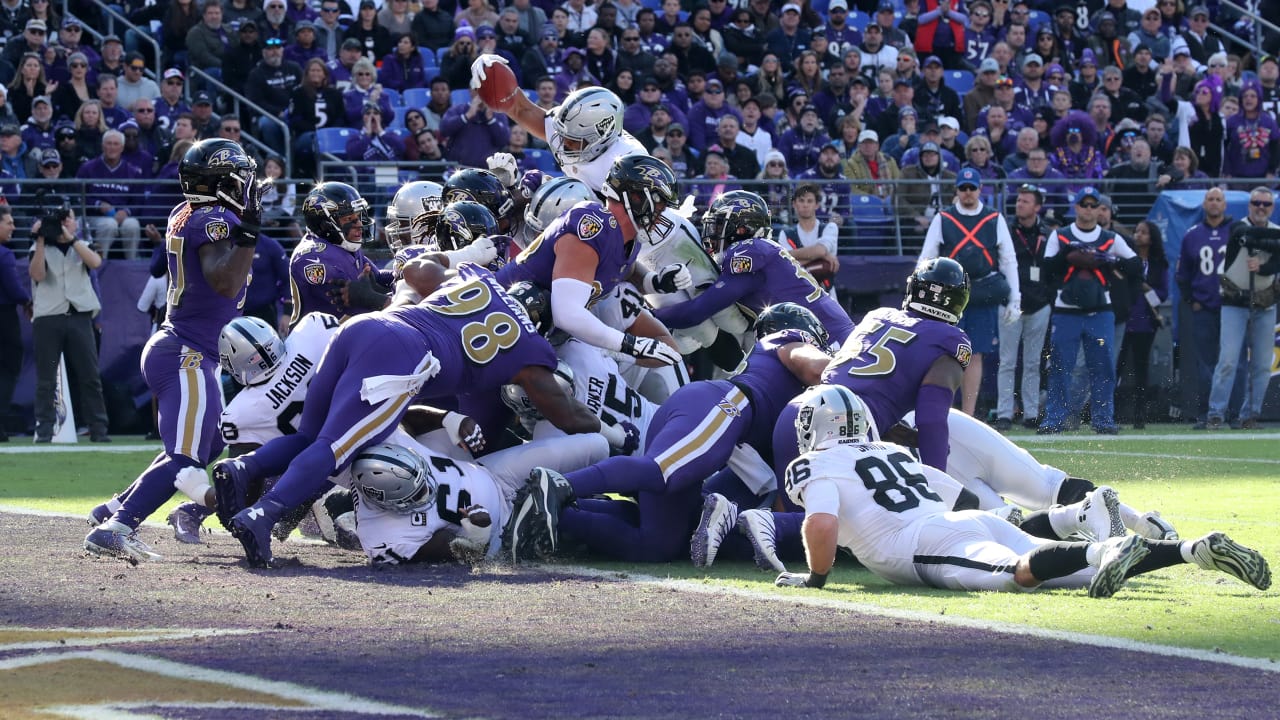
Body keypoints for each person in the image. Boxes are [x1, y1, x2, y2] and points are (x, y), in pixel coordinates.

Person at [212, 262, 621, 567]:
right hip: (405, 356)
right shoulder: (530, 349)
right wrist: (613, 432)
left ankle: (245, 468)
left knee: (311, 434)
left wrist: (448, 259)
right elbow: (565, 415)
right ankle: (263, 516)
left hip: (368, 326)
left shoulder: (479, 277)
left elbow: (417, 271)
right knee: (333, 448)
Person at [771, 384, 1272, 598]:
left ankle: (1108, 544)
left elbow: (821, 523)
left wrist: (816, 578)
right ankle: (1193, 550)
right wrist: (1009, 518)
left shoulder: (814, 461)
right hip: (965, 523)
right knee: (1076, 570)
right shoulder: (895, 454)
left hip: (926, 545)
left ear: (814, 427)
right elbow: (960, 498)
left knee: (1018, 575)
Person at [506, 304, 834, 564]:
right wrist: (846, 372)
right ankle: (557, 486)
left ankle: (555, 518)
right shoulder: (789, 344)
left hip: (715, 421)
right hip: (725, 406)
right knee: (660, 473)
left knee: (659, 543)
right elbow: (817, 366)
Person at [83, 139, 261, 562]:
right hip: (188, 353)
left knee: (208, 443)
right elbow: (224, 282)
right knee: (187, 456)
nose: (246, 186)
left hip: (186, 348)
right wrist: (249, 231)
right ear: (219, 183)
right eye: (239, 179)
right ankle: (118, 526)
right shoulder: (213, 218)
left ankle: (109, 509)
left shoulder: (189, 212)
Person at [652, 192, 854, 345]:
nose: (712, 233)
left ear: (740, 228)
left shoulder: (747, 251)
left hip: (829, 338)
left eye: (719, 225)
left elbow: (697, 311)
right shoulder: (764, 250)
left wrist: (645, 315)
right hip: (826, 332)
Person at [1037, 188, 1140, 435]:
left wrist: (1109, 259)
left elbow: (1136, 265)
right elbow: (1047, 269)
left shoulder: (1110, 238)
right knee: (1061, 365)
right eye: (1084, 204)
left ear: (1099, 209)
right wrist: (1068, 254)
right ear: (1077, 207)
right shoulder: (1060, 236)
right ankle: (1054, 419)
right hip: (1066, 311)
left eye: (1093, 205)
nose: (1089, 209)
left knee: (1103, 366)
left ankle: (1103, 419)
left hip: (1100, 311)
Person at [919, 167, 1019, 417]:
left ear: (979, 189)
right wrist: (917, 293)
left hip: (983, 291)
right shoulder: (943, 218)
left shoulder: (994, 218)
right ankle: (943, 412)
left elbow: (1008, 259)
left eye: (971, 188)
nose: (967, 193)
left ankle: (969, 415)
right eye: (963, 188)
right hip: (951, 294)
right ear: (957, 190)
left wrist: (1015, 298)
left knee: (975, 354)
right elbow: (927, 256)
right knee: (946, 354)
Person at [1204, 187, 1280, 430]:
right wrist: (1272, 244)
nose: (1260, 207)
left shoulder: (1276, 232)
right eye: (1256, 202)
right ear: (1249, 205)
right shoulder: (1237, 228)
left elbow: (1275, 263)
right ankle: (1216, 414)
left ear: (1272, 208)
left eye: (1265, 204)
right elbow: (1246, 235)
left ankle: (1250, 415)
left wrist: (1263, 266)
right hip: (1235, 302)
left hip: (1265, 303)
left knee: (1260, 365)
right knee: (1227, 360)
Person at [994, 184, 1053, 431]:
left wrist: (1048, 297)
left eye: (1026, 201)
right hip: (1010, 304)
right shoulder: (1006, 231)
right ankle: (1004, 412)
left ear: (1037, 207)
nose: (1020, 204)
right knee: (1007, 361)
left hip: (1039, 304)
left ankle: (1030, 413)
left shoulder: (1048, 234)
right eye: (1019, 200)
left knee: (1032, 362)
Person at [1177, 188, 1234, 429]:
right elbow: (1183, 274)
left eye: (1218, 199)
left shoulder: (1236, 231)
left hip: (1233, 308)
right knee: (1205, 363)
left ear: (1225, 205)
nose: (1214, 203)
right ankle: (1206, 413)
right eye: (1210, 199)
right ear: (1204, 203)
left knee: (1233, 361)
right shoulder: (1192, 235)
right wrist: (1192, 300)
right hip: (1205, 308)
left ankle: (1232, 413)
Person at [287, 182, 383, 322]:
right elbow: (361, 308)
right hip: (317, 340)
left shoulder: (340, 245)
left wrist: (402, 276)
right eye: (349, 219)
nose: (359, 224)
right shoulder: (314, 258)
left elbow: (379, 279)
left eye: (358, 216)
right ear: (324, 225)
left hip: (344, 334)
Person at [1117, 221, 1169, 429]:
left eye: (1144, 232)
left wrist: (1147, 289)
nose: (1139, 235)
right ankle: (1110, 413)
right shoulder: (1126, 258)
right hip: (1124, 317)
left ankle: (1140, 415)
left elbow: (1163, 293)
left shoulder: (1159, 263)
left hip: (1146, 321)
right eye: (1137, 231)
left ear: (1152, 237)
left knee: (1141, 369)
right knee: (1116, 367)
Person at [75, 130, 144, 261]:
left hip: (122, 215)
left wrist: (126, 211)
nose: (112, 147)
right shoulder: (87, 168)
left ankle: (132, 264)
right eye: (109, 144)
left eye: (116, 144)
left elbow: (139, 200)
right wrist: (97, 205)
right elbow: (78, 196)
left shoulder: (132, 171)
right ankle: (99, 263)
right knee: (109, 224)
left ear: (122, 148)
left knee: (132, 225)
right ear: (102, 146)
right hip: (94, 217)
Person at [0, 206, 29, 440]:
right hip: (4, 316)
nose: (13, 227)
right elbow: (14, 288)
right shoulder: (4, 254)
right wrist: (27, 301)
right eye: (8, 222)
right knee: (8, 369)